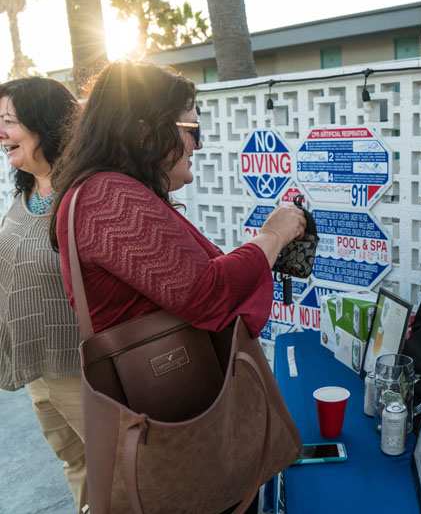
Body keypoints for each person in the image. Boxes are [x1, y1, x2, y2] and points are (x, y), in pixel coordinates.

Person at [49, 61, 305, 514]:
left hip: (170, 409)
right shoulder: (109, 197)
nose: (196, 144)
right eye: (191, 127)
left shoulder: (107, 192)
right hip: (170, 420)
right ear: (146, 131)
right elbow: (205, 292)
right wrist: (275, 234)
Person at [0, 77, 85, 511]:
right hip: (39, 364)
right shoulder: (27, 189)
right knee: (73, 461)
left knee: (112, 467)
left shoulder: (85, 193)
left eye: (9, 121)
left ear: (45, 125)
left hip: (82, 368)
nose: (1, 133)